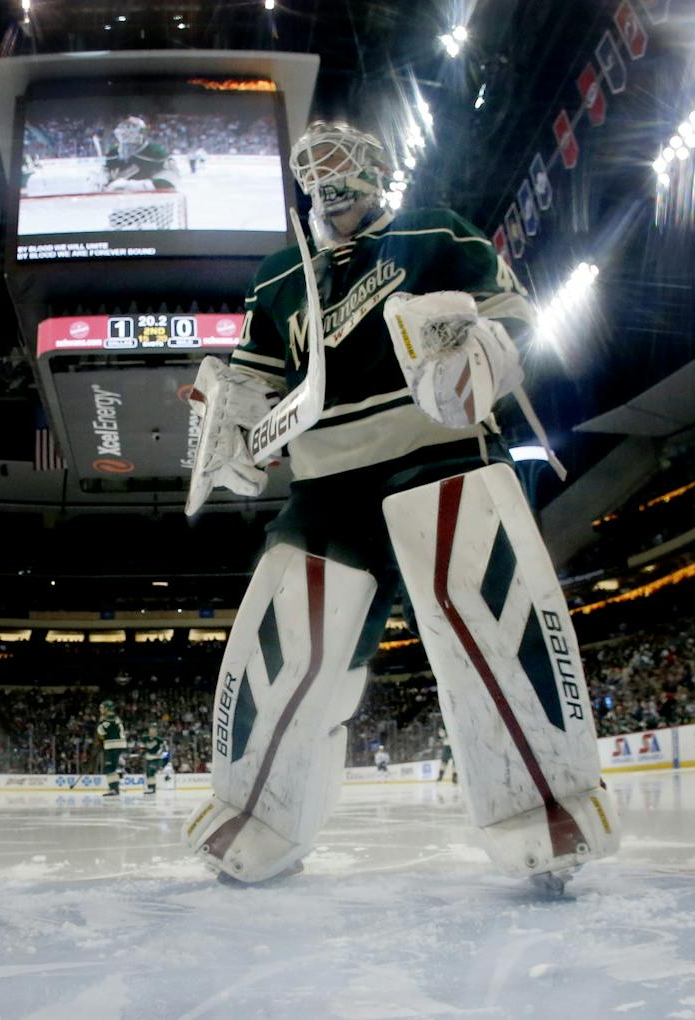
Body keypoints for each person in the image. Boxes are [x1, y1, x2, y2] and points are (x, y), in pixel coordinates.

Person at [181, 120, 618, 891]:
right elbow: (256, 382)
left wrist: (479, 350)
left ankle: (547, 801)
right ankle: (262, 813)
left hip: (438, 446)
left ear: (377, 167)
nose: (328, 173)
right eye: (315, 165)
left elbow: (510, 311)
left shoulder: (432, 228)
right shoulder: (280, 273)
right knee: (290, 638)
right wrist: (233, 423)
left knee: (478, 611)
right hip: (323, 478)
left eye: (343, 158)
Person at [103, 116, 176, 192]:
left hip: (149, 199)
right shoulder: (113, 153)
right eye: (124, 129)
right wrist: (101, 180)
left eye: (130, 130)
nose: (125, 134)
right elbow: (107, 173)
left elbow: (170, 179)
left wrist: (134, 186)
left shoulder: (154, 152)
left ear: (141, 133)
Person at [97, 700, 127, 797]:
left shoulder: (107, 719)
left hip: (113, 745)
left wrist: (101, 740)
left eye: (102, 707)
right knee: (111, 767)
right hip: (118, 744)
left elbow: (101, 732)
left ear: (107, 708)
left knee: (109, 768)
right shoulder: (114, 717)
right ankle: (118, 776)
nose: (100, 709)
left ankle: (114, 788)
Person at [142, 723, 168, 795]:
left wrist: (164, 761)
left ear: (156, 732)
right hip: (148, 758)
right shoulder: (145, 739)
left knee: (151, 770)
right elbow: (142, 747)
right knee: (148, 773)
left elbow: (165, 750)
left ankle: (152, 788)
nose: (152, 732)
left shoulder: (160, 740)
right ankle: (150, 787)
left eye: (154, 730)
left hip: (157, 759)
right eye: (151, 730)